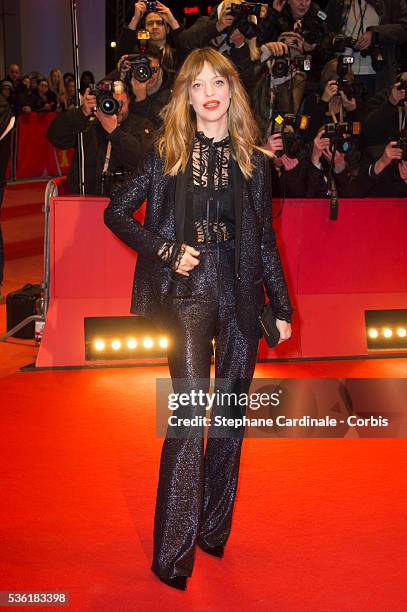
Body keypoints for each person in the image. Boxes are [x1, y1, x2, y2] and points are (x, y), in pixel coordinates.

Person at [104, 47, 293, 591]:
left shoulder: (253, 161)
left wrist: (280, 307)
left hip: (239, 298)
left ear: (232, 92)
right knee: (188, 424)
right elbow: (115, 213)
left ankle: (211, 532)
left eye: (219, 82)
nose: (209, 92)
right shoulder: (165, 154)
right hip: (188, 296)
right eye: (197, 84)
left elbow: (263, 240)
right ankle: (172, 555)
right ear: (185, 95)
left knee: (230, 424)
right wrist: (165, 250)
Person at [47, 84, 155, 194]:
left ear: (129, 100)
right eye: (110, 103)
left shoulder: (142, 125)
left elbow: (144, 161)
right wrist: (82, 112)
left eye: (120, 104)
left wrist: (115, 132)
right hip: (85, 199)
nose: (116, 110)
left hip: (124, 202)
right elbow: (55, 137)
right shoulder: (88, 123)